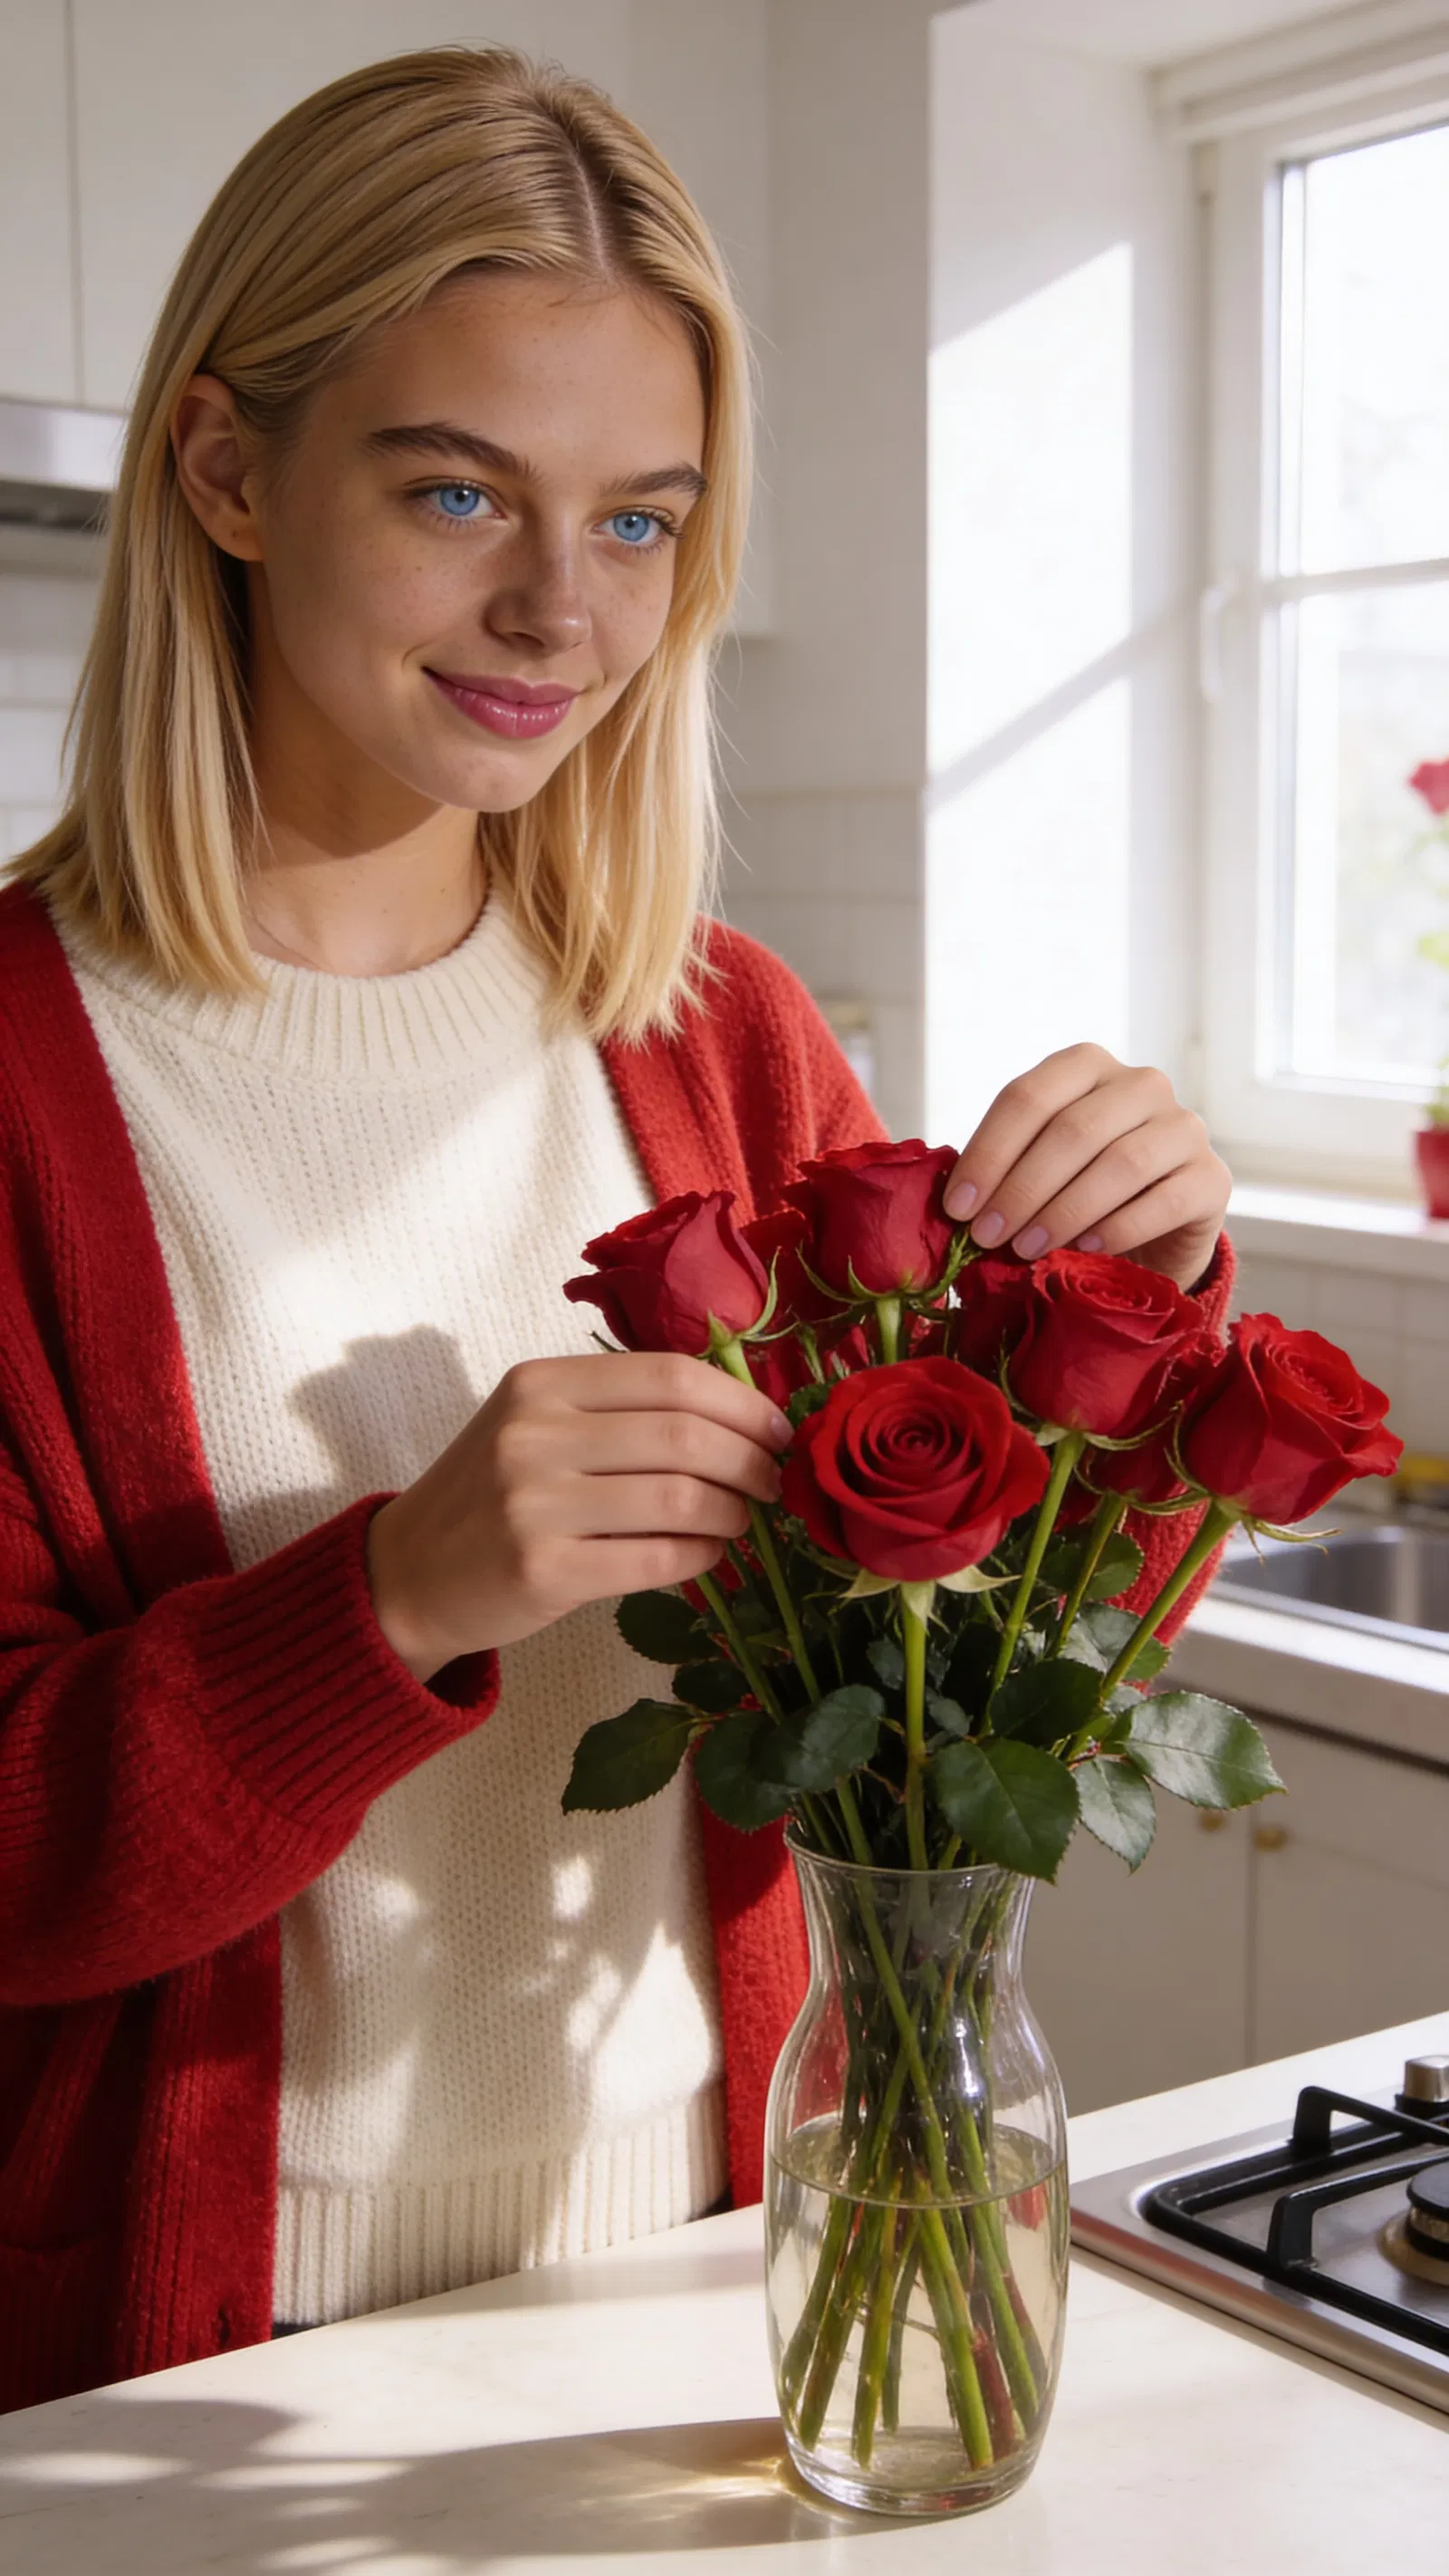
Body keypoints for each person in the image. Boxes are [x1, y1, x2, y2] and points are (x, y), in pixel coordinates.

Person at [0, 46, 1232, 2412]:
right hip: (183, 2373)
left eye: (644, 519)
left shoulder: (726, 1042)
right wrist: (388, 1597)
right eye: (459, 487)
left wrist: (1147, 1329)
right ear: (228, 468)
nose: (564, 610)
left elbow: (981, 1679)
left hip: (701, 2293)